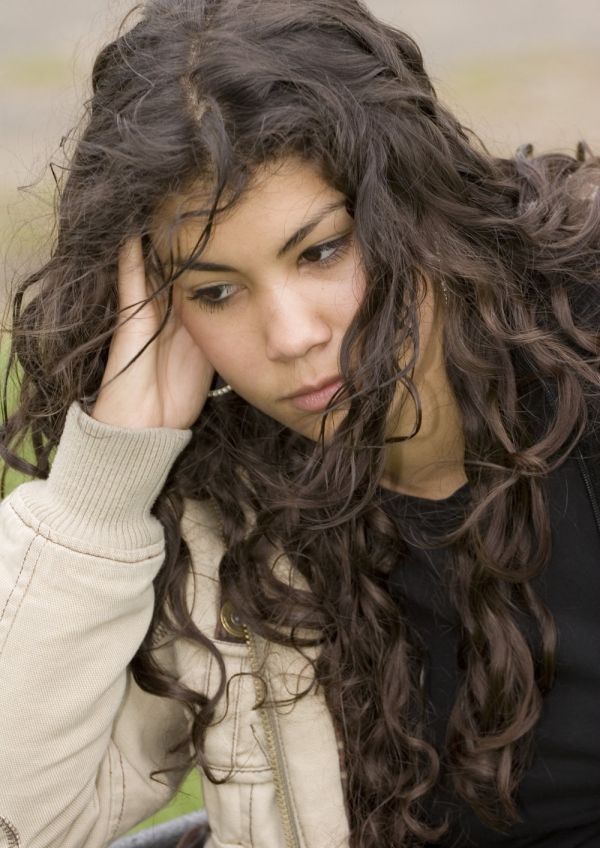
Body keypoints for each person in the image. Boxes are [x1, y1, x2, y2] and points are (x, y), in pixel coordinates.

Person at [1, 0, 600, 846]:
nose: (292, 338)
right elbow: (28, 817)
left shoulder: (584, 343)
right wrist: (107, 485)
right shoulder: (215, 507)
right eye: (215, 292)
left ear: (415, 207)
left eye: (321, 251)